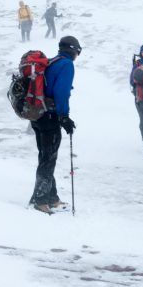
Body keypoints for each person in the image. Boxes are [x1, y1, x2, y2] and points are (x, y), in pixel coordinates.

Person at [29, 35, 81, 213]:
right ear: (73, 50)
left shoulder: (51, 62)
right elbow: (61, 92)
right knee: (48, 159)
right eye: (78, 52)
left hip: (37, 115)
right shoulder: (66, 65)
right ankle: (40, 200)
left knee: (45, 156)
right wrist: (64, 116)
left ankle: (52, 197)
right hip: (49, 116)